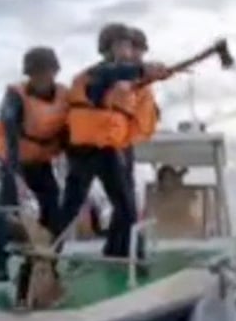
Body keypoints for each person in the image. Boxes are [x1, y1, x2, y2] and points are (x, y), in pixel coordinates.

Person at [57, 23, 168, 258]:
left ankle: (119, 255)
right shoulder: (95, 74)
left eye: (128, 46)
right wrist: (143, 71)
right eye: (120, 45)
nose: (126, 51)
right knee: (73, 206)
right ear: (106, 49)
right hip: (85, 150)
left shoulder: (123, 79)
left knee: (125, 207)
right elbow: (110, 77)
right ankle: (45, 249)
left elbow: (129, 90)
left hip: (106, 148)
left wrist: (144, 76)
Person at [0, 46, 67, 281]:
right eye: (36, 73)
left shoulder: (64, 95)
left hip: (41, 161)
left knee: (53, 205)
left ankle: (46, 256)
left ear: (55, 71)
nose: (42, 77)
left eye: (47, 72)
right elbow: (10, 133)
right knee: (8, 206)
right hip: (14, 161)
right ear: (29, 75)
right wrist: (15, 175)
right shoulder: (15, 95)